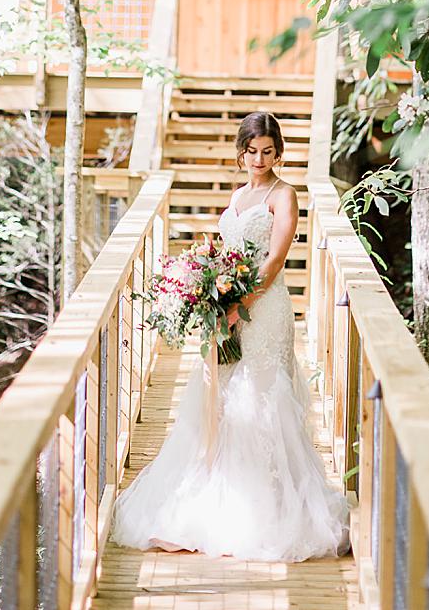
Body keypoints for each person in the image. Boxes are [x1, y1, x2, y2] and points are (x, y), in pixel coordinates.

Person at [109, 110, 351, 561]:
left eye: (268, 151)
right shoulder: (239, 195)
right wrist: (209, 294)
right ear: (241, 153)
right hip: (228, 308)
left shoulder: (285, 195)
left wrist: (240, 305)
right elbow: (227, 254)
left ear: (278, 152)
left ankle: (271, 509)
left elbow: (274, 260)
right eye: (252, 151)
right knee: (220, 399)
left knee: (261, 396)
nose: (259, 159)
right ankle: (210, 502)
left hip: (265, 307)